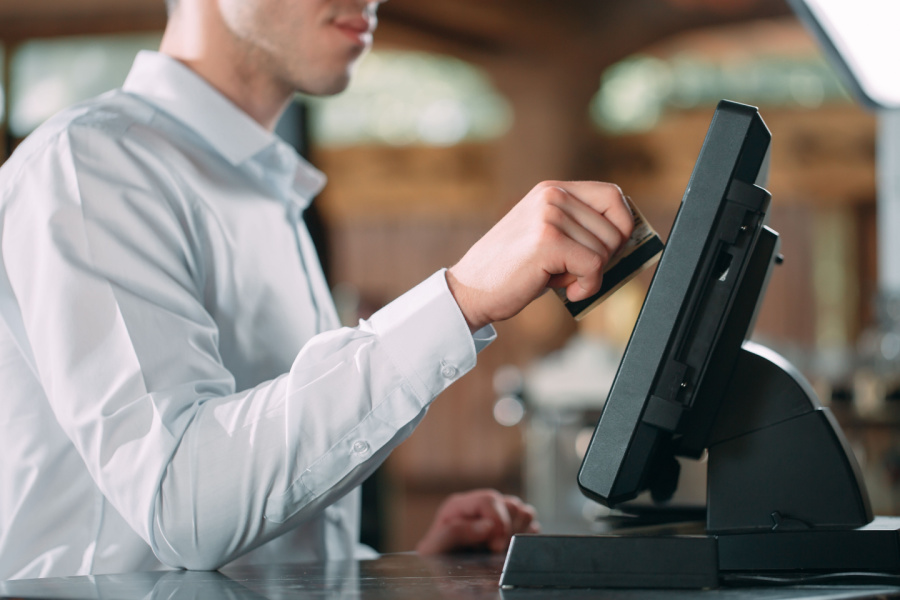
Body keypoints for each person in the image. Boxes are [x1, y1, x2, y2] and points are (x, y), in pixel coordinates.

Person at [0, 0, 634, 581]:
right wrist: (461, 298)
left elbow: (240, 510)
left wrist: (356, 565)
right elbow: (180, 504)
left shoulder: (262, 189)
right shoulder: (94, 165)